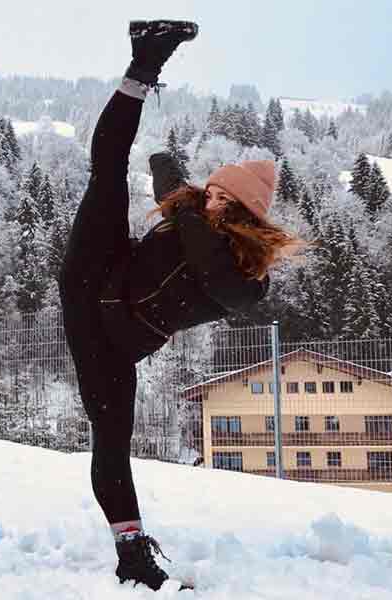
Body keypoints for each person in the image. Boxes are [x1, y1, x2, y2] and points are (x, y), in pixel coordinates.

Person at [58, 20, 305, 591]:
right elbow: (176, 204)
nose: (213, 201)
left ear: (248, 215)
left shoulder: (247, 275)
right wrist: (167, 176)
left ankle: (130, 549)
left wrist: (183, 199)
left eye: (227, 198)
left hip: (112, 339)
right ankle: (144, 63)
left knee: (112, 435)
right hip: (95, 273)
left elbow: (215, 271)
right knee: (106, 174)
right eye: (213, 191)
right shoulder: (193, 212)